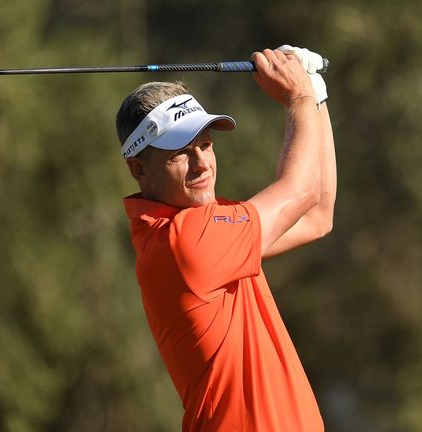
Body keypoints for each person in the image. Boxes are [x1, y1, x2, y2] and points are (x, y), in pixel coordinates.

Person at [116, 46, 336, 431]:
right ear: (139, 169)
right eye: (179, 153)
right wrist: (298, 97)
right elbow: (300, 191)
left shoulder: (205, 232)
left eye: (205, 145)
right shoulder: (186, 242)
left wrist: (316, 95)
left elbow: (317, 215)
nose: (202, 163)